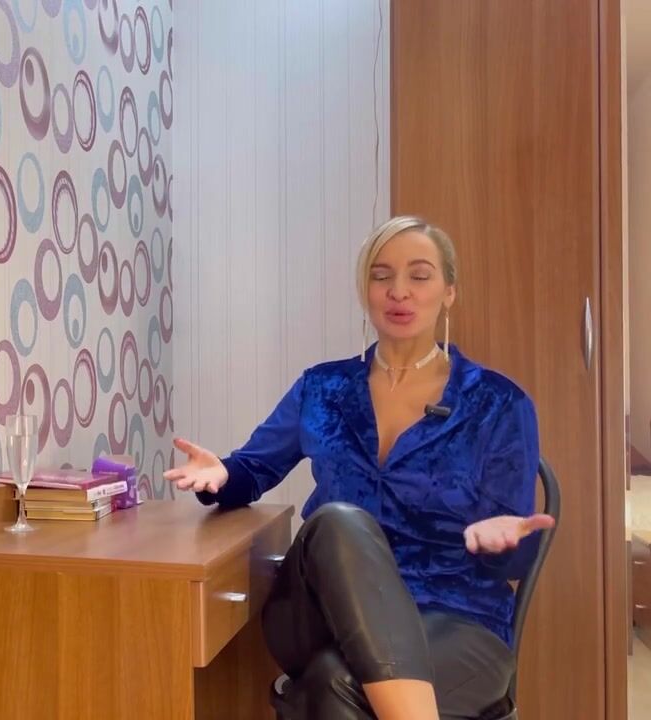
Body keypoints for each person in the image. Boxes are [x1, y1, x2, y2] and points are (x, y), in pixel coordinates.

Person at [163, 216, 555, 720]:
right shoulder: (323, 388)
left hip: (457, 616)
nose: (399, 291)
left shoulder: (498, 402)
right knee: (338, 521)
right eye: (381, 275)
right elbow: (253, 469)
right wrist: (222, 475)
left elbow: (515, 556)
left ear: (449, 292)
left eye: (419, 275)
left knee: (335, 684)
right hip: (321, 613)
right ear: (365, 291)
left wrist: (502, 541)